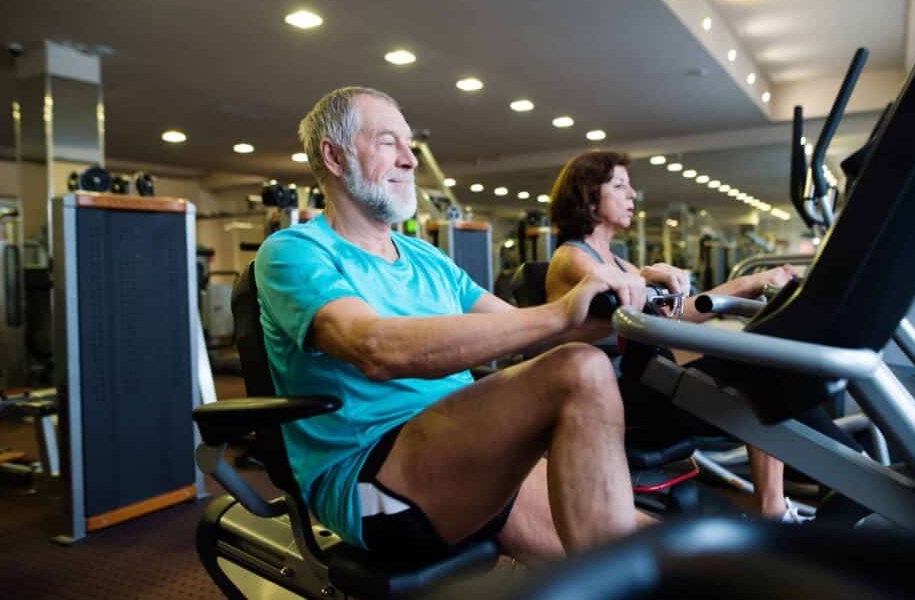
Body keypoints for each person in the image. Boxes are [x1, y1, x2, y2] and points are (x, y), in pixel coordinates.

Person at [254, 87, 656, 564]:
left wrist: (638, 299)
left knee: (661, 552)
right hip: (374, 477)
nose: (409, 160)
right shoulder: (294, 250)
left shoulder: (426, 256)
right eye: (388, 143)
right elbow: (375, 348)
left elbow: (530, 330)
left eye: (409, 145)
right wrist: (559, 311)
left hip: (462, 445)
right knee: (580, 370)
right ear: (334, 156)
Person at [544, 150, 804, 522]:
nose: (632, 195)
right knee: (758, 381)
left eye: (630, 187)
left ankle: (802, 501)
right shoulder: (571, 258)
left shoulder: (620, 261)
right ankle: (773, 511)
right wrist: (647, 278)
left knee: (766, 368)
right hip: (611, 389)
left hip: (645, 375)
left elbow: (675, 315)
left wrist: (751, 284)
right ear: (587, 195)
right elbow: (614, 293)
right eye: (619, 186)